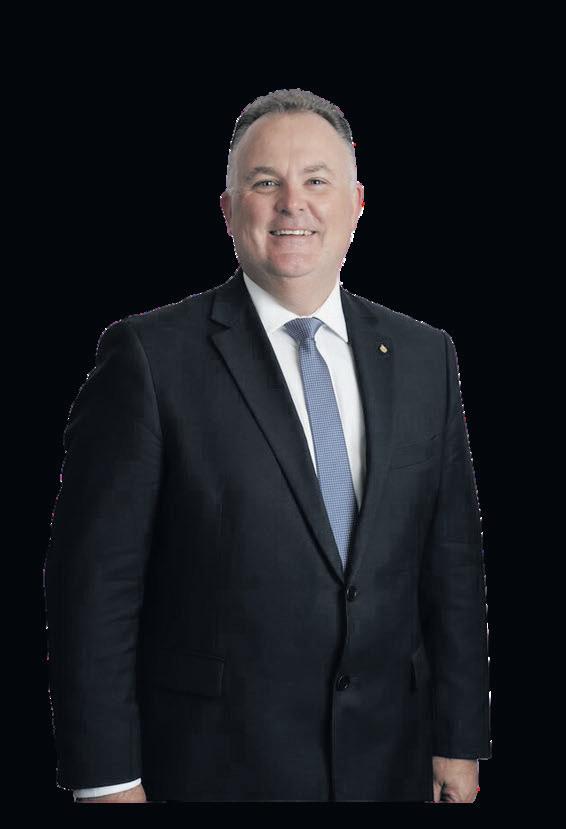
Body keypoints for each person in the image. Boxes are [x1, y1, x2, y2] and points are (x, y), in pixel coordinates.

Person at [44, 88, 491, 803]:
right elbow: (94, 589)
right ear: (229, 210)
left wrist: (459, 737)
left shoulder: (424, 355)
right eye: (264, 183)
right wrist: (107, 782)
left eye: (316, 180)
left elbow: (453, 564)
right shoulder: (149, 359)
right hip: (213, 769)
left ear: (356, 204)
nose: (293, 204)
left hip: (390, 761)